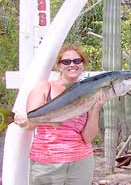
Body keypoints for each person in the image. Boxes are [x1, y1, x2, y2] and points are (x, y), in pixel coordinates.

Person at [14, 44, 108, 185]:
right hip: (47, 163)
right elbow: (30, 124)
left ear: (83, 65)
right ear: (59, 66)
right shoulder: (45, 88)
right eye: (66, 61)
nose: (72, 64)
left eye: (77, 61)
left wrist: (97, 107)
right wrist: (22, 121)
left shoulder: (89, 93)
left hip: (81, 163)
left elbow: (88, 137)